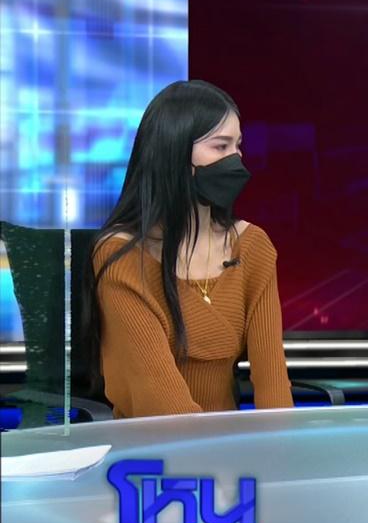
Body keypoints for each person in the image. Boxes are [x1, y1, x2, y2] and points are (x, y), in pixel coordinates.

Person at [83, 80, 295, 418]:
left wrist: (281, 445)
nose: (236, 160)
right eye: (220, 146)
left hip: (232, 444)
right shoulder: (121, 256)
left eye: (238, 146)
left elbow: (273, 385)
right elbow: (161, 402)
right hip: (156, 445)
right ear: (174, 154)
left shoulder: (252, 246)